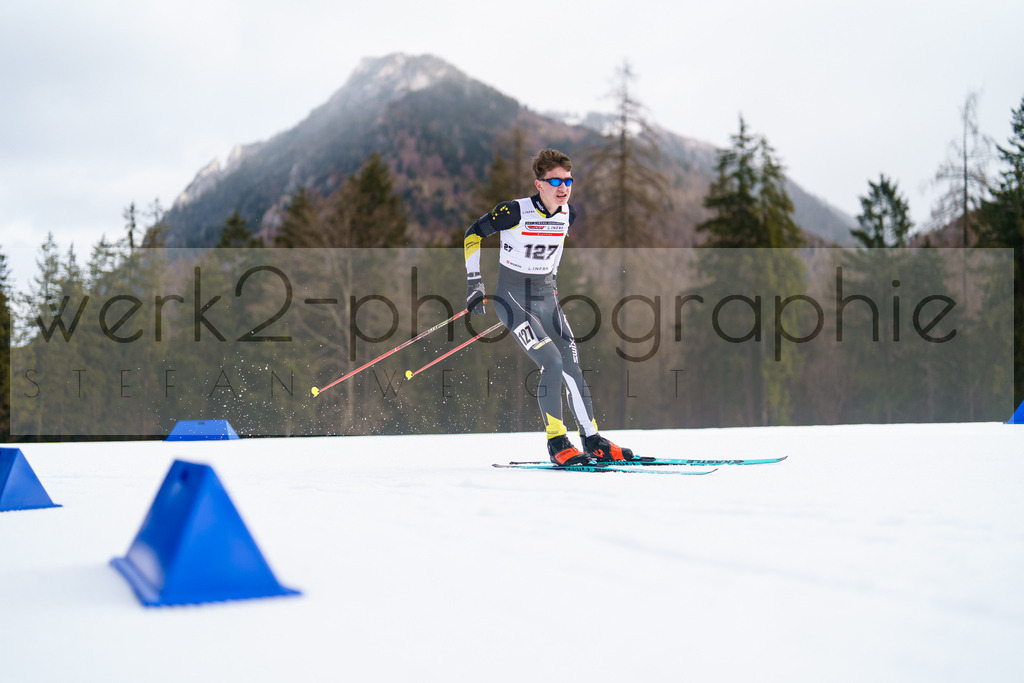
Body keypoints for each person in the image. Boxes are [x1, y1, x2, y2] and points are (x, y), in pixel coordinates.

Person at [463, 148, 636, 465]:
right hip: (512, 297)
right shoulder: (514, 212)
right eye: (555, 180)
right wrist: (475, 282)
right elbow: (472, 233)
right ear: (538, 184)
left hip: (546, 297)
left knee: (572, 365)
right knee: (552, 362)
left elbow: (555, 248)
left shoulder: (570, 212)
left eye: (568, 180)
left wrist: (551, 280)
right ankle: (557, 442)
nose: (563, 187)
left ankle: (592, 439)